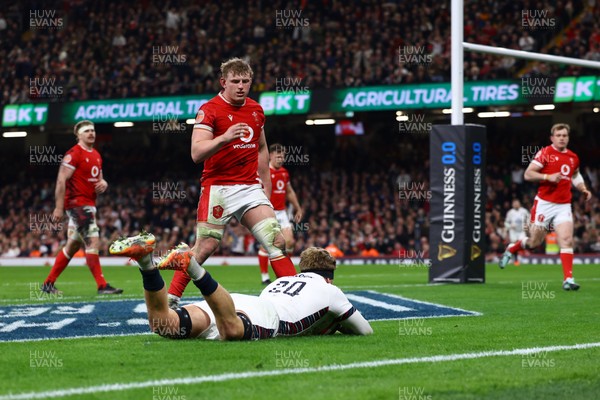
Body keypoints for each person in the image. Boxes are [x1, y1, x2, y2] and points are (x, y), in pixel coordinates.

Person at [164, 58, 296, 308]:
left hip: (249, 187)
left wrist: (265, 188)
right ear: (223, 82)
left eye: (246, 81)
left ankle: (299, 302)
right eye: (235, 81)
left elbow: (262, 149)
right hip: (218, 188)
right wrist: (224, 138)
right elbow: (196, 153)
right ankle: (171, 298)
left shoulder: (256, 110)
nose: (241, 86)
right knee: (205, 246)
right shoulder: (210, 109)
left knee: (277, 241)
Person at [109, 232, 373, 340]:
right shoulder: (330, 290)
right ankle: (193, 267)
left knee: (163, 324)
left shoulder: (282, 281)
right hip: (264, 317)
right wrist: (335, 325)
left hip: (238, 301)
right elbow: (365, 331)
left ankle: (145, 262)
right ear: (329, 276)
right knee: (232, 330)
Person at [499, 123, 592, 290]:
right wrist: (548, 177)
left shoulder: (573, 157)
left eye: (564, 135)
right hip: (544, 204)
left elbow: (575, 175)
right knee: (535, 242)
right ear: (552, 138)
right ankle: (512, 247)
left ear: (568, 138)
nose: (562, 138)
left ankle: (568, 279)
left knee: (566, 239)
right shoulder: (545, 153)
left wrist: (583, 188)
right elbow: (528, 174)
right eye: (559, 135)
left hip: (563, 204)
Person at [40, 120, 123, 295]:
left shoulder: (97, 155)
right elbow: (61, 179)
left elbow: (100, 179)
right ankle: (102, 285)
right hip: (77, 205)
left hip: (89, 204)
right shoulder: (74, 154)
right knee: (93, 241)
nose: (91, 133)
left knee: (72, 246)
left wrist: (104, 183)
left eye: (92, 130)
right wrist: (58, 207)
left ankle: (48, 284)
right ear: (78, 135)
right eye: (86, 131)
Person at [257, 144, 303, 284]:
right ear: (270, 155)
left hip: (282, 212)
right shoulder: (263, 171)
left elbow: (289, 192)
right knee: (267, 244)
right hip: (267, 211)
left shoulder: (284, 172)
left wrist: (298, 208)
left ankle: (284, 270)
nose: (280, 159)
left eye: (282, 156)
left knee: (289, 241)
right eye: (278, 156)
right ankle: (265, 275)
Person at [503, 199, 529, 266]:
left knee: (522, 243)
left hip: (521, 231)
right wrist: (510, 226)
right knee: (514, 245)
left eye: (517, 203)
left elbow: (529, 218)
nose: (516, 204)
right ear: (512, 205)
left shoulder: (524, 211)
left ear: (519, 204)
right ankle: (515, 259)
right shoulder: (510, 212)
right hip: (513, 231)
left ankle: (521, 257)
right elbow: (506, 222)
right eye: (514, 203)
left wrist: (527, 226)